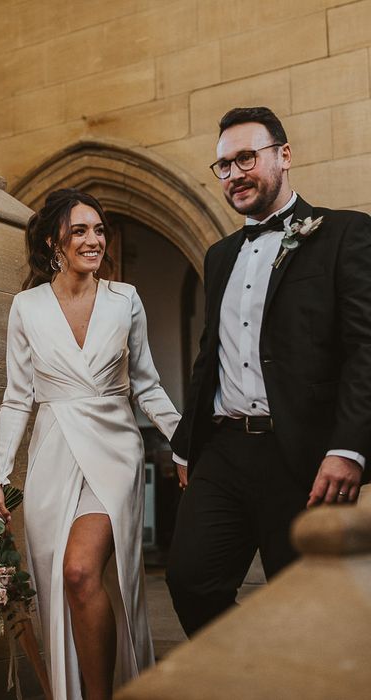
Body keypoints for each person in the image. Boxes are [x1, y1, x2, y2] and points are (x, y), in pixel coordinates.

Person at [167, 106, 371, 637]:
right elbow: (210, 353)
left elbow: (366, 349)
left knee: (307, 603)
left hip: (302, 454)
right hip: (223, 450)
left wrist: (348, 447)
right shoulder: (218, 256)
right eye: (223, 165)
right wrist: (187, 443)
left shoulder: (346, 234)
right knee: (191, 582)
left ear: (284, 156)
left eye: (245, 158)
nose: (234, 173)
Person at [0, 189, 180, 700]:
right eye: (80, 231)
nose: (94, 240)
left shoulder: (125, 299)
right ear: (55, 241)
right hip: (52, 452)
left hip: (114, 450)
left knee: (79, 568)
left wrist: (186, 440)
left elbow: (148, 384)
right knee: (61, 582)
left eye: (98, 230)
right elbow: (17, 397)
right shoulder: (27, 307)